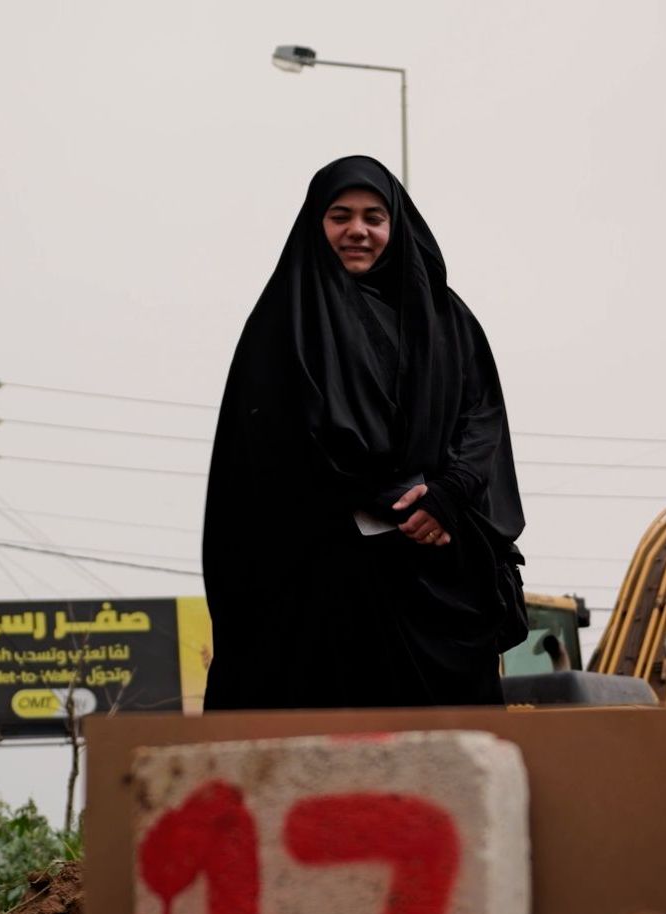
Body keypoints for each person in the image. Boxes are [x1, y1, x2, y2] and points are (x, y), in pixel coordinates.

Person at [201, 156, 526, 710]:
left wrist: (447, 496)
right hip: (324, 579)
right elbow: (272, 441)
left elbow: (481, 416)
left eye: (374, 217)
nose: (358, 230)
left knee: (449, 743)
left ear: (395, 224)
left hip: (436, 566)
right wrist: (390, 501)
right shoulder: (284, 321)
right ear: (317, 224)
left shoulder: (446, 318)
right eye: (340, 216)